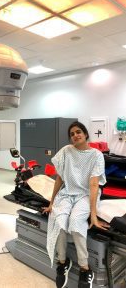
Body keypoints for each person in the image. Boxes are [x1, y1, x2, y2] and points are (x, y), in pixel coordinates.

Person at [42, 121, 109, 288]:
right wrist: (51, 203)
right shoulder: (66, 151)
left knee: (76, 222)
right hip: (67, 193)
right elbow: (59, 178)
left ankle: (85, 269)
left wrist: (93, 215)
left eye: (78, 132)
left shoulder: (96, 155)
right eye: (72, 134)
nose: (75, 136)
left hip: (86, 195)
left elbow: (94, 184)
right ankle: (63, 262)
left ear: (85, 134)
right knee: (59, 221)